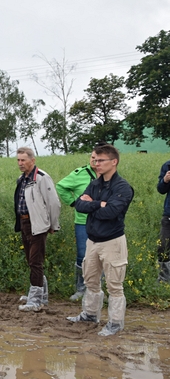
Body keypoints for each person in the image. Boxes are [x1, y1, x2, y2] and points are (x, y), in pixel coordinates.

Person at [68, 144, 134, 336]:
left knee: (114, 284)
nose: (96, 164)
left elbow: (111, 212)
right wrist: (99, 203)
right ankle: (90, 314)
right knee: (90, 279)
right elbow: (80, 205)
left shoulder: (122, 187)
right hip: (93, 240)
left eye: (101, 160)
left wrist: (93, 205)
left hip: (112, 241)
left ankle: (115, 323)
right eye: (95, 160)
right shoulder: (95, 183)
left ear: (114, 162)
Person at [13, 147, 61, 312]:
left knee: (35, 261)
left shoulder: (41, 178)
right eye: (18, 160)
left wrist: (53, 225)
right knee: (31, 260)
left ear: (32, 160)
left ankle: (35, 300)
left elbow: (53, 203)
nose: (20, 163)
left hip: (38, 224)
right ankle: (41, 295)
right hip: (24, 222)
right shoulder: (22, 179)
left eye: (23, 160)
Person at [56, 151, 99, 301]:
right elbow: (61, 186)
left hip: (104, 221)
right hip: (83, 221)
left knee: (102, 255)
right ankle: (81, 289)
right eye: (92, 158)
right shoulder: (80, 173)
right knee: (82, 255)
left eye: (98, 158)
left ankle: (98, 290)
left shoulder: (109, 175)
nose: (95, 161)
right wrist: (74, 202)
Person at [156, 157, 170, 282]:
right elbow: (160, 190)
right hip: (168, 215)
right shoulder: (167, 165)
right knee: (163, 247)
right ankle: (164, 280)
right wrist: (165, 181)